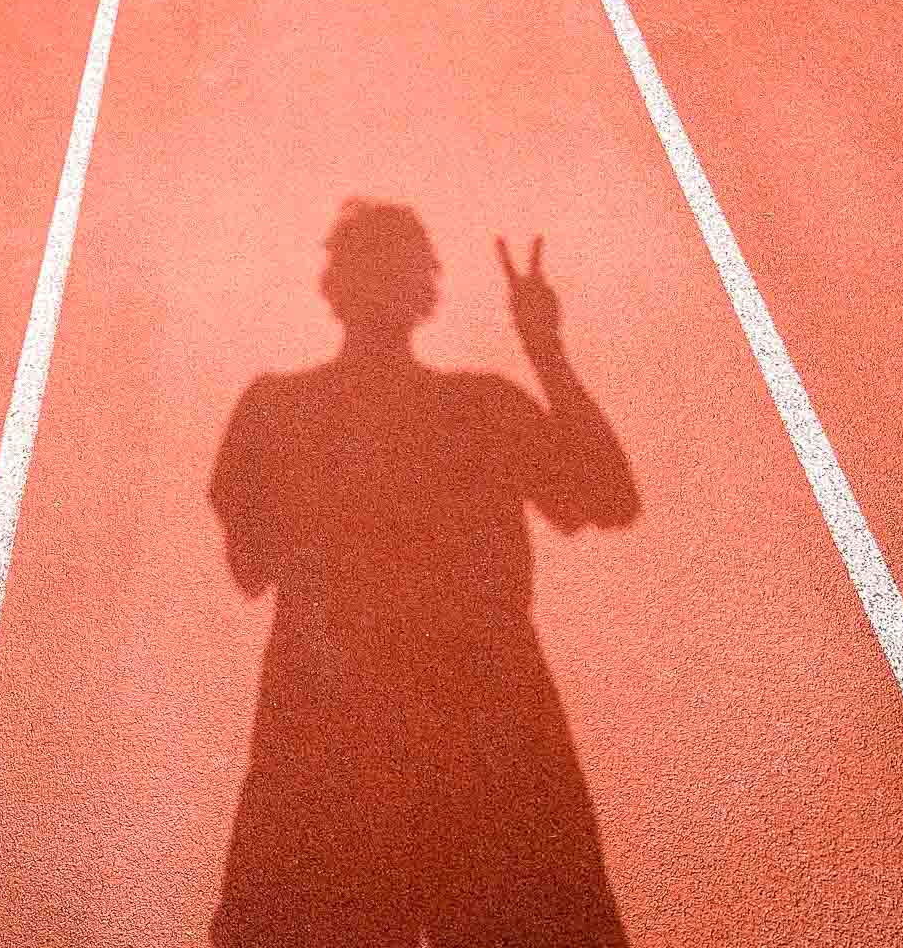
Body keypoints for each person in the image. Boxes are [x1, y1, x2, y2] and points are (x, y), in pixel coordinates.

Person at [208, 199, 638, 947]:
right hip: (492, 741)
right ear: (427, 294)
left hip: (327, 745)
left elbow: (250, 568)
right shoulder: (481, 409)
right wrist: (545, 347)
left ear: (331, 290)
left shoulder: (276, 412)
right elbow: (609, 498)